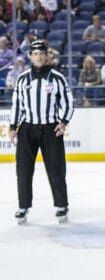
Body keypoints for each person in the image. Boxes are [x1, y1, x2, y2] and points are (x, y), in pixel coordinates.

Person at [8, 40, 74, 224]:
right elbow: (17, 105)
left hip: (50, 128)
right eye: (35, 53)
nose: (38, 56)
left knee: (56, 168)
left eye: (42, 53)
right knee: (23, 169)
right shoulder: (22, 79)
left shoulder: (57, 78)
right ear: (30, 56)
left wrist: (64, 121)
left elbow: (68, 101)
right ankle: (23, 206)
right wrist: (13, 127)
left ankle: (61, 205)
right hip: (27, 128)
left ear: (47, 56)